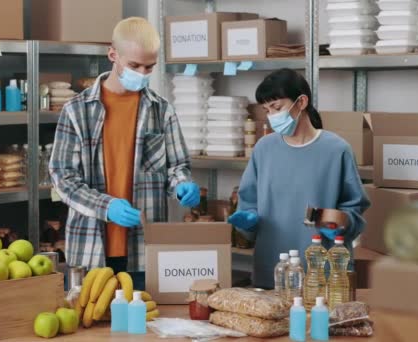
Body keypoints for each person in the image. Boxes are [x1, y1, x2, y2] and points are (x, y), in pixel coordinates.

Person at [49, 17, 200, 284]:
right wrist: (106, 206)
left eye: (149, 67)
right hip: (91, 250)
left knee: (147, 323)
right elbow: (63, 178)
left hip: (144, 250)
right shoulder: (77, 110)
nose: (142, 73)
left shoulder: (161, 110)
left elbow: (177, 166)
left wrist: (181, 184)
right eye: (134, 65)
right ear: (113, 54)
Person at [228, 69, 370, 289]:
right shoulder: (264, 149)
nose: (271, 116)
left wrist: (342, 223)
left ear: (301, 101)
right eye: (266, 110)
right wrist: (248, 220)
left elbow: (355, 207)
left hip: (322, 272)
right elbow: (249, 203)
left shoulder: (336, 150)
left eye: (277, 107)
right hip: (272, 270)